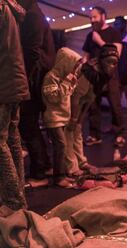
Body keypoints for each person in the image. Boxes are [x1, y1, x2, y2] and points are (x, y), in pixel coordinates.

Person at [18, 0, 55, 186]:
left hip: (34, 79)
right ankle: (44, 166)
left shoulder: (31, 14)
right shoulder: (34, 12)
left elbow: (32, 52)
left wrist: (24, 80)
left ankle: (39, 173)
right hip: (37, 77)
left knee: (28, 124)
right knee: (31, 125)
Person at [0, 0, 30, 214]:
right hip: (14, 82)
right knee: (12, 138)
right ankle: (19, 198)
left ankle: (12, 202)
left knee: (1, 142)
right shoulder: (11, 8)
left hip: (3, 84)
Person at [82, 6, 125, 147]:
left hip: (111, 76)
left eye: (94, 17)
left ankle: (119, 135)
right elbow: (86, 55)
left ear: (103, 16)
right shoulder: (90, 35)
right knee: (93, 106)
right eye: (91, 17)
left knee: (115, 106)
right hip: (95, 76)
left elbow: (117, 53)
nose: (92, 20)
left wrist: (99, 41)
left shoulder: (114, 33)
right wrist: (82, 67)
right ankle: (95, 135)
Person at [42, 48, 84, 188]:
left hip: (62, 118)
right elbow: (53, 98)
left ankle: (63, 174)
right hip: (53, 118)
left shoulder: (65, 77)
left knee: (62, 147)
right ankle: (58, 178)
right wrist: (67, 82)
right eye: (74, 65)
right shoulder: (51, 76)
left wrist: (70, 82)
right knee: (60, 146)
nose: (75, 69)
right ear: (65, 63)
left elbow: (66, 96)